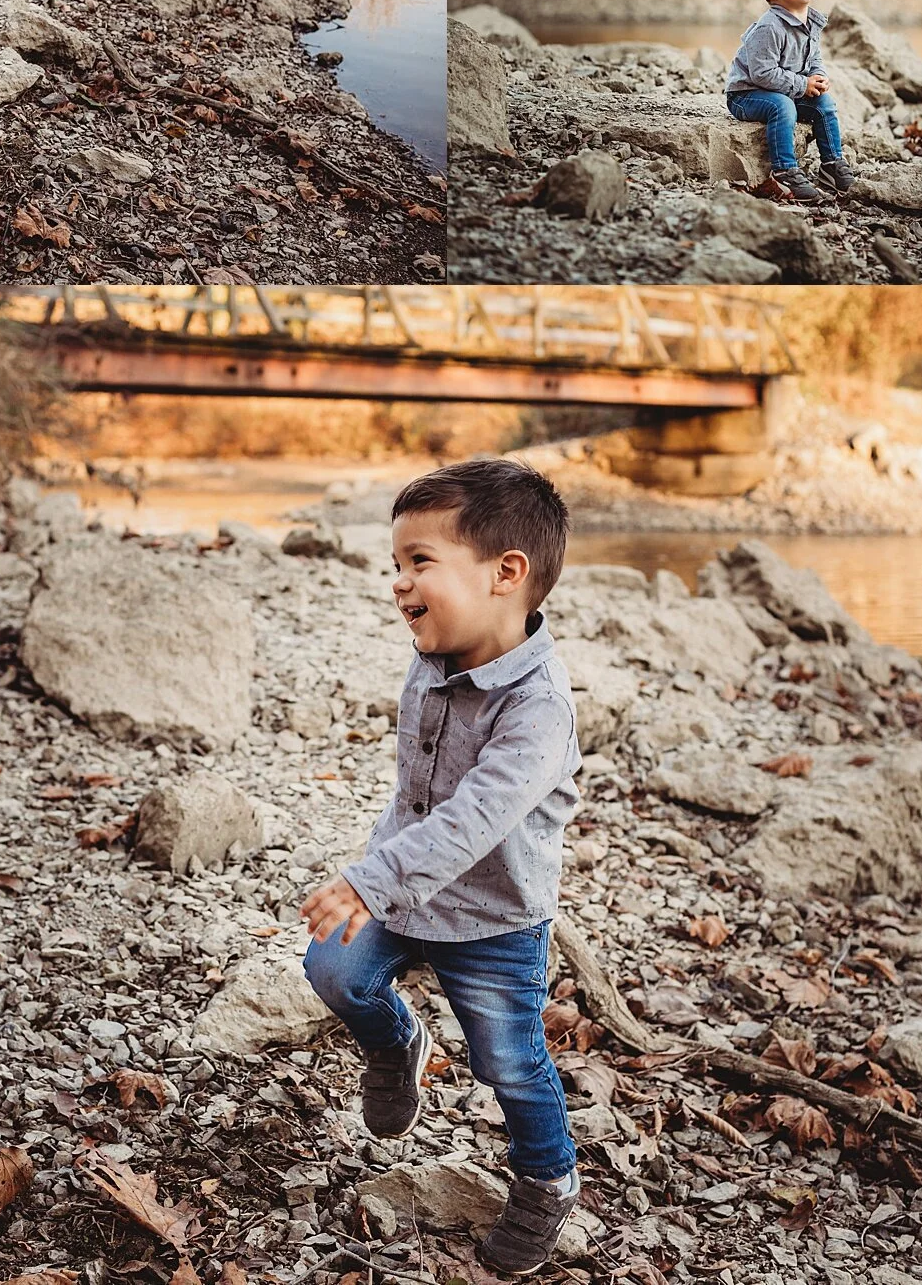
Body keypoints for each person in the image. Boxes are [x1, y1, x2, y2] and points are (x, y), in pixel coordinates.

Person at [300, 458, 582, 1275]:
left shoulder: (538, 709)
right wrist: (377, 877)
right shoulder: (435, 657)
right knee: (336, 971)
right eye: (397, 565)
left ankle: (547, 1177)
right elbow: (416, 791)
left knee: (509, 1062)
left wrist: (367, 881)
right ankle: (399, 1045)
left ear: (507, 574)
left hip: (494, 919)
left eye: (420, 561)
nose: (398, 583)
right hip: (401, 889)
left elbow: (473, 819)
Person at [726, 0, 856, 203]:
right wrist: (801, 84)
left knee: (824, 103)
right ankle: (784, 171)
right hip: (747, 94)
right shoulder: (769, 28)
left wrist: (817, 78)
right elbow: (762, 74)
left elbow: (814, 57)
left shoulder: (811, 22)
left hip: (785, 88)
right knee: (783, 106)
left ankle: (832, 165)